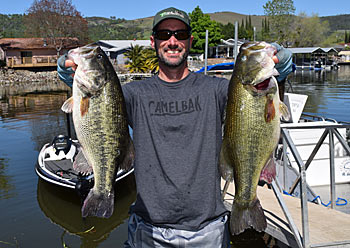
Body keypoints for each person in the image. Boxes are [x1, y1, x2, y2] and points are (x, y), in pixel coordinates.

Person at [57, 7, 293, 247]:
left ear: (189, 41)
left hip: (207, 231)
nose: (172, 41)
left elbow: (255, 95)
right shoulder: (133, 94)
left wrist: (281, 66)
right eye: (163, 34)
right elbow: (101, 105)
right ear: (153, 41)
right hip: (148, 231)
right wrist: (69, 74)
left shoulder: (217, 90)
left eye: (180, 34)